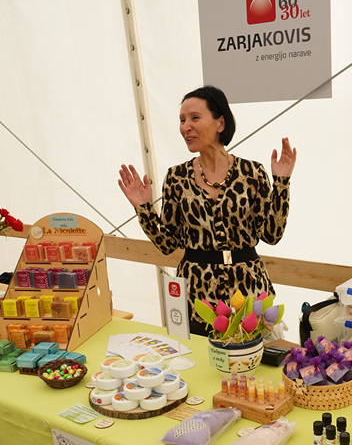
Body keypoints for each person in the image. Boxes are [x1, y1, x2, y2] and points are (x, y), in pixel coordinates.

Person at [118, 85, 297, 335]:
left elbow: (272, 234)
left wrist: (282, 183)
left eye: (194, 118)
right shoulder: (176, 177)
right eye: (182, 120)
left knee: (248, 359)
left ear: (220, 123)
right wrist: (143, 208)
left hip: (247, 291)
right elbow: (168, 244)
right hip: (197, 297)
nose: (185, 127)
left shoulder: (251, 172)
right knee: (200, 357)